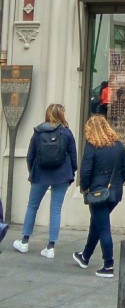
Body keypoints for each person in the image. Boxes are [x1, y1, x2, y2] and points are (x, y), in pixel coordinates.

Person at [13, 103, 77, 259]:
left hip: (40, 174)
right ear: (62, 114)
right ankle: (50, 246)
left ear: (47, 114)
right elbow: (73, 157)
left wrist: (32, 171)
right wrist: (71, 172)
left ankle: (25, 241)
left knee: (32, 206)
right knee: (55, 210)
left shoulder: (38, 131)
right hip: (61, 175)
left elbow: (30, 155)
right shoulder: (67, 133)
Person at [73, 115, 125, 278]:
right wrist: (116, 184)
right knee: (97, 224)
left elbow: (85, 171)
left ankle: (108, 265)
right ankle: (85, 256)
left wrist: (85, 188)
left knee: (103, 227)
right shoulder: (118, 146)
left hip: (97, 192)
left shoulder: (92, 147)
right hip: (114, 193)